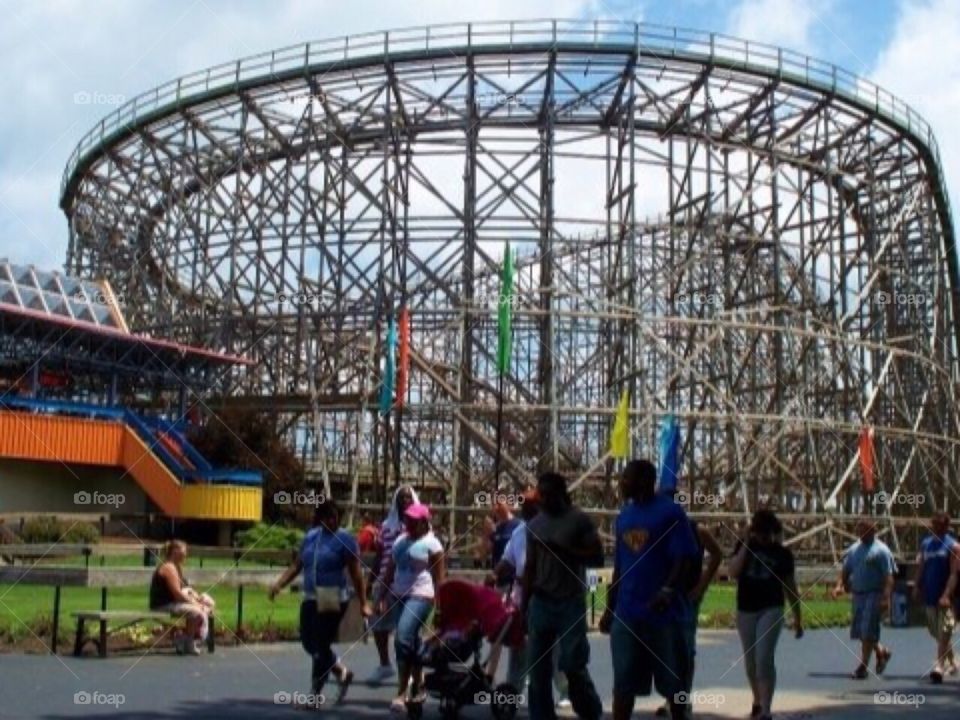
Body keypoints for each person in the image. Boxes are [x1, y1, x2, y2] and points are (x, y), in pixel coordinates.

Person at [598, 460, 698, 720]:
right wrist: (610, 608)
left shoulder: (671, 513)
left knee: (674, 685)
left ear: (644, 480)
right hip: (627, 613)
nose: (621, 483)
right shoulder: (624, 516)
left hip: (664, 615)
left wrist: (667, 590)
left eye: (626, 478)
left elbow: (684, 557)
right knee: (623, 683)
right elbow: (620, 566)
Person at [269, 499, 372, 706]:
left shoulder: (345, 539)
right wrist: (279, 584)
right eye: (328, 517)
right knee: (309, 643)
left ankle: (315, 694)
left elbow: (356, 574)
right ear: (320, 518)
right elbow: (298, 565)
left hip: (333, 598)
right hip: (311, 597)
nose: (332, 521)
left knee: (321, 644)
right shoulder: (311, 537)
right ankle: (341, 671)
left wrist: (363, 602)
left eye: (335, 517)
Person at [522, 472, 603, 720]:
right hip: (541, 601)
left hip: (569, 601)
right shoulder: (535, 525)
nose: (543, 500)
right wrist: (523, 605)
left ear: (561, 494)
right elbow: (530, 567)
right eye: (541, 495)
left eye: (547, 495)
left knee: (573, 664)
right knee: (537, 669)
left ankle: (589, 708)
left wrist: (565, 551)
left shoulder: (579, 521)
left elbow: (597, 558)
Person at [486, 488, 570, 707]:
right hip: (522, 600)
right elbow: (508, 560)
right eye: (523, 506)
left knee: (554, 650)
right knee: (518, 648)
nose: (525, 510)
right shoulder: (519, 532)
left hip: (550, 600)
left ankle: (565, 691)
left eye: (530, 506)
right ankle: (512, 692)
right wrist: (495, 573)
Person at [728, 510, 803, 720]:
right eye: (760, 533)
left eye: (768, 533)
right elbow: (732, 572)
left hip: (771, 608)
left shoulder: (783, 554)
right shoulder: (745, 548)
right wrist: (744, 543)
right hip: (746, 608)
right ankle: (757, 700)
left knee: (764, 658)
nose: (764, 538)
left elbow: (790, 588)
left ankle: (767, 709)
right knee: (751, 661)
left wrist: (798, 618)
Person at [380, 502, 445, 713]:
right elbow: (390, 569)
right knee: (410, 642)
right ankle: (418, 682)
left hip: (421, 596)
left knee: (402, 637)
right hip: (398, 595)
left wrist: (440, 609)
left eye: (413, 520)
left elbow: (439, 579)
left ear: (424, 522)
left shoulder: (433, 544)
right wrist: (380, 596)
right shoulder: (400, 540)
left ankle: (401, 691)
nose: (408, 523)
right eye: (407, 519)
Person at [656, 515, 723, 718]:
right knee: (664, 648)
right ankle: (673, 696)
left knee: (686, 649)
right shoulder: (659, 527)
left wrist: (701, 587)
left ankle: (680, 699)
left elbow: (717, 555)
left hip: (687, 597)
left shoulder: (697, 530)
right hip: (664, 595)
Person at [831, 518, 896, 678]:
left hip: (874, 593)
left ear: (873, 531)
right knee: (861, 631)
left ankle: (862, 667)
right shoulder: (854, 549)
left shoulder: (881, 551)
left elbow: (889, 576)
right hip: (858, 594)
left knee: (867, 631)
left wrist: (886, 598)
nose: (861, 533)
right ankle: (881, 651)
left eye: (865, 530)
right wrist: (840, 586)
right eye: (859, 530)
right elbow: (846, 570)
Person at [368, 484, 419, 683]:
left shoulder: (419, 526)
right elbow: (380, 555)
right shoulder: (387, 526)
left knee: (406, 630)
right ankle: (384, 664)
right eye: (401, 498)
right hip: (384, 581)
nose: (405, 501)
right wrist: (370, 580)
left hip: (409, 582)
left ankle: (409, 670)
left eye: (408, 498)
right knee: (379, 625)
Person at [912, 511, 959, 682]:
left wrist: (947, 594)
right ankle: (952, 661)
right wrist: (917, 585)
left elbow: (954, 574)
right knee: (937, 632)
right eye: (934, 524)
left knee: (946, 628)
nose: (936, 527)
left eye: (940, 525)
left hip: (948, 596)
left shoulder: (953, 546)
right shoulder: (926, 545)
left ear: (946, 526)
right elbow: (921, 568)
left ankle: (939, 666)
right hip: (930, 593)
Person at [149, 540, 215, 656]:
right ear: (175, 552)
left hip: (174, 603)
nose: (186, 553)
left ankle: (186, 641)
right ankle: (185, 640)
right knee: (195, 611)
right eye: (184, 551)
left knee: (208, 604)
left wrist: (197, 598)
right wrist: (195, 604)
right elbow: (177, 594)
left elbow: (186, 588)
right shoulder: (168, 567)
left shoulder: (177, 567)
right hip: (163, 605)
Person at [489, 499, 521, 587]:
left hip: (514, 577)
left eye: (499, 504)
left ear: (508, 505)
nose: (496, 507)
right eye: (494, 505)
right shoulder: (496, 528)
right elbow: (484, 553)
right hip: (499, 577)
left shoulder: (518, 525)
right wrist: (486, 534)